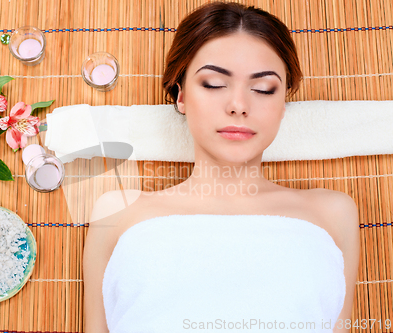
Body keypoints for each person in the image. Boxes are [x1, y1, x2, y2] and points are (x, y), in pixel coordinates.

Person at [83, 2, 360, 332]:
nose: (239, 105)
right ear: (181, 96)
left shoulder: (333, 213)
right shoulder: (116, 212)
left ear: (283, 104)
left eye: (263, 88)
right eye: (214, 84)